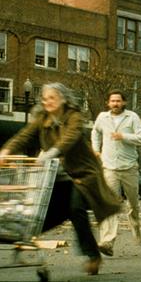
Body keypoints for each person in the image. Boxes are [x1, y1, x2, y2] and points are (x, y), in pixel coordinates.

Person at [0, 83, 120, 276]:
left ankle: (93, 256)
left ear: (63, 99)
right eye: (44, 98)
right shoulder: (42, 118)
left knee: (75, 208)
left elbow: (69, 139)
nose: (47, 102)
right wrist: (5, 151)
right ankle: (24, 242)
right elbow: (23, 136)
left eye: (52, 98)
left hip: (82, 174)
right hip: (56, 176)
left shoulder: (74, 116)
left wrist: (48, 154)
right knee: (47, 216)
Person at [91, 90, 141, 257]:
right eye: (112, 101)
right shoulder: (102, 117)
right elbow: (95, 132)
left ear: (124, 102)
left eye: (118, 101)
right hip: (109, 168)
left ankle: (135, 226)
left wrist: (123, 136)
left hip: (129, 167)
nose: (115, 103)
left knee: (133, 204)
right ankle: (107, 241)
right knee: (110, 205)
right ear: (108, 103)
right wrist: (96, 149)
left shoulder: (132, 117)